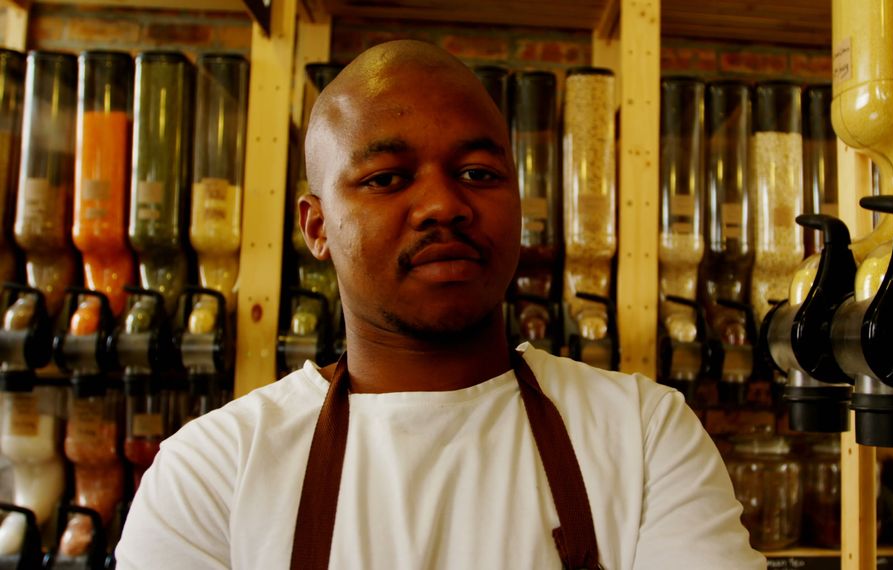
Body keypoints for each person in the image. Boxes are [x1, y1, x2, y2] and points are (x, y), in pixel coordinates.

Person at [115, 40, 764, 569]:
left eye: (479, 174)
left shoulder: (646, 435)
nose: (443, 205)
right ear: (316, 227)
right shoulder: (210, 475)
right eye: (387, 179)